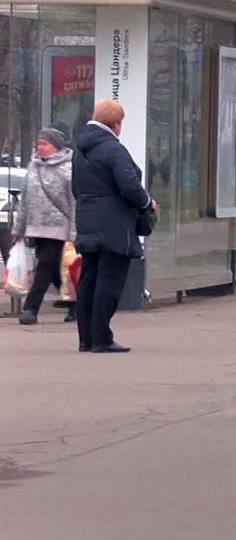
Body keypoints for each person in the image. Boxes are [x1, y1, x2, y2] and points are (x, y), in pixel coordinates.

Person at [72, 100, 155, 353]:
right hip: (114, 224)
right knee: (109, 281)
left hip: (87, 218)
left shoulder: (80, 149)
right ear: (116, 124)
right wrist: (147, 203)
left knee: (89, 279)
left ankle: (86, 338)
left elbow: (76, 188)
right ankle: (102, 338)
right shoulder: (113, 149)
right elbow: (129, 186)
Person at [12, 126, 76, 325]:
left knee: (44, 266)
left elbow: (75, 201)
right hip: (36, 227)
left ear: (56, 146)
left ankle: (30, 309)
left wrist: (74, 232)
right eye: (38, 143)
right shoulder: (33, 167)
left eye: (44, 143)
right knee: (54, 270)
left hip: (59, 228)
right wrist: (19, 228)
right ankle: (77, 305)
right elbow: (25, 200)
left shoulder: (69, 169)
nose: (40, 147)